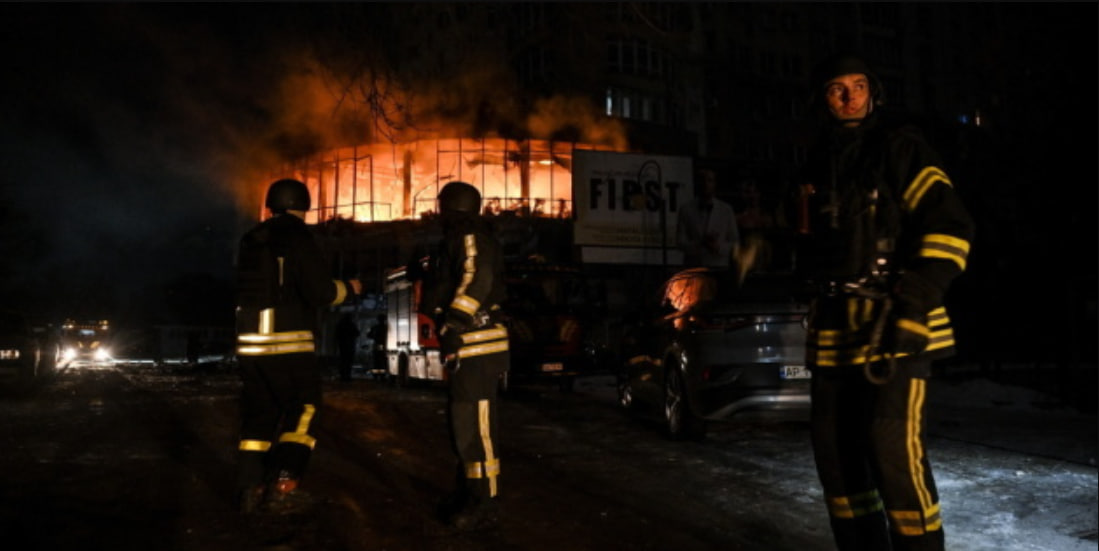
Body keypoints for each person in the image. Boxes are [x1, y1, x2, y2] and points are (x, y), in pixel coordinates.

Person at [793, 54, 975, 550]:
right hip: (833, 330)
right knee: (836, 455)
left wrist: (915, 299)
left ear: (874, 92)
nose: (849, 97)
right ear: (823, 99)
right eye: (836, 88)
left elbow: (951, 227)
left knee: (891, 449)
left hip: (896, 323)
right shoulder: (816, 163)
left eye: (857, 85)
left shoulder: (902, 149)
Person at [233, 178, 362, 514]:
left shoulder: (251, 239)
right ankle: (285, 483)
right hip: (288, 343)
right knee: (304, 409)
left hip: (249, 344)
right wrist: (348, 288)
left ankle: (250, 487)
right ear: (302, 205)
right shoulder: (298, 237)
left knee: (258, 415)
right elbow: (319, 291)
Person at [422, 181, 510, 532]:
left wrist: (455, 323)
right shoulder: (457, 238)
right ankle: (468, 492)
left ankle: (485, 501)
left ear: (451, 208)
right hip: (466, 346)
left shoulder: (469, 235)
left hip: (478, 344)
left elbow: (478, 276)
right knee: (462, 425)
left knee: (478, 428)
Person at [676, 168, 740, 269]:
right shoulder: (686, 209)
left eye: (709, 180)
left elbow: (735, 242)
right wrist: (700, 244)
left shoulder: (726, 210)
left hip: (718, 266)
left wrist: (718, 247)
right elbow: (680, 242)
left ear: (715, 184)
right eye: (702, 180)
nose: (705, 184)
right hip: (694, 267)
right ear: (697, 183)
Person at [335, 313, 360, 382]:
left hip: (343, 346)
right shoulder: (351, 325)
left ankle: (343, 376)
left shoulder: (341, 325)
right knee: (348, 361)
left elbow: (336, 335)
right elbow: (357, 333)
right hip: (350, 346)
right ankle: (347, 376)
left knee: (343, 361)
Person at [366, 313, 388, 378]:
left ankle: (376, 375)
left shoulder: (375, 327)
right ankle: (382, 375)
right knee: (382, 361)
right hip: (383, 345)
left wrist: (374, 336)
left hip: (377, 345)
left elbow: (368, 335)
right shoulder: (386, 327)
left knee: (377, 361)